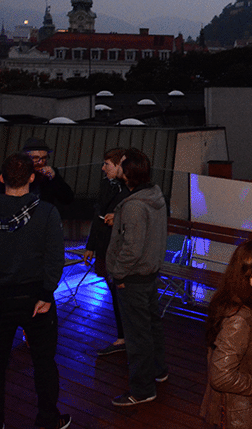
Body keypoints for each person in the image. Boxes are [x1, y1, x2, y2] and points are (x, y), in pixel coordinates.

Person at [0, 153, 70, 429]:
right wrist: (47, 294)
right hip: (37, 299)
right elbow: (55, 257)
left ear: (1, 178)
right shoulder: (47, 212)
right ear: (32, 177)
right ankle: (48, 420)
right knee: (44, 363)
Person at [107, 148, 169, 406]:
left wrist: (118, 273)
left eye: (121, 163)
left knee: (137, 336)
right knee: (152, 326)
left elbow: (132, 248)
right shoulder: (154, 195)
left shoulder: (133, 206)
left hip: (133, 277)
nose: (116, 166)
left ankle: (142, 390)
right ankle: (158, 370)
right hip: (150, 273)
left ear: (127, 172)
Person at [201, 241, 252, 428]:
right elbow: (221, 377)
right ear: (246, 274)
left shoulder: (247, 299)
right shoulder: (238, 318)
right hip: (242, 415)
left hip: (250, 408)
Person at [84, 147, 131, 356]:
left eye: (107, 164)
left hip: (119, 249)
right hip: (104, 245)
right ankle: (123, 336)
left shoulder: (129, 189)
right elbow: (98, 215)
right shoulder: (107, 185)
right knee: (114, 292)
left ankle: (127, 337)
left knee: (122, 293)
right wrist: (90, 246)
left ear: (120, 165)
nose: (103, 168)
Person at [0, 138, 75, 206]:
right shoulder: (10, 172)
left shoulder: (50, 175)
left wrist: (54, 178)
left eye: (44, 158)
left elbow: (68, 199)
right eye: (35, 158)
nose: (40, 162)